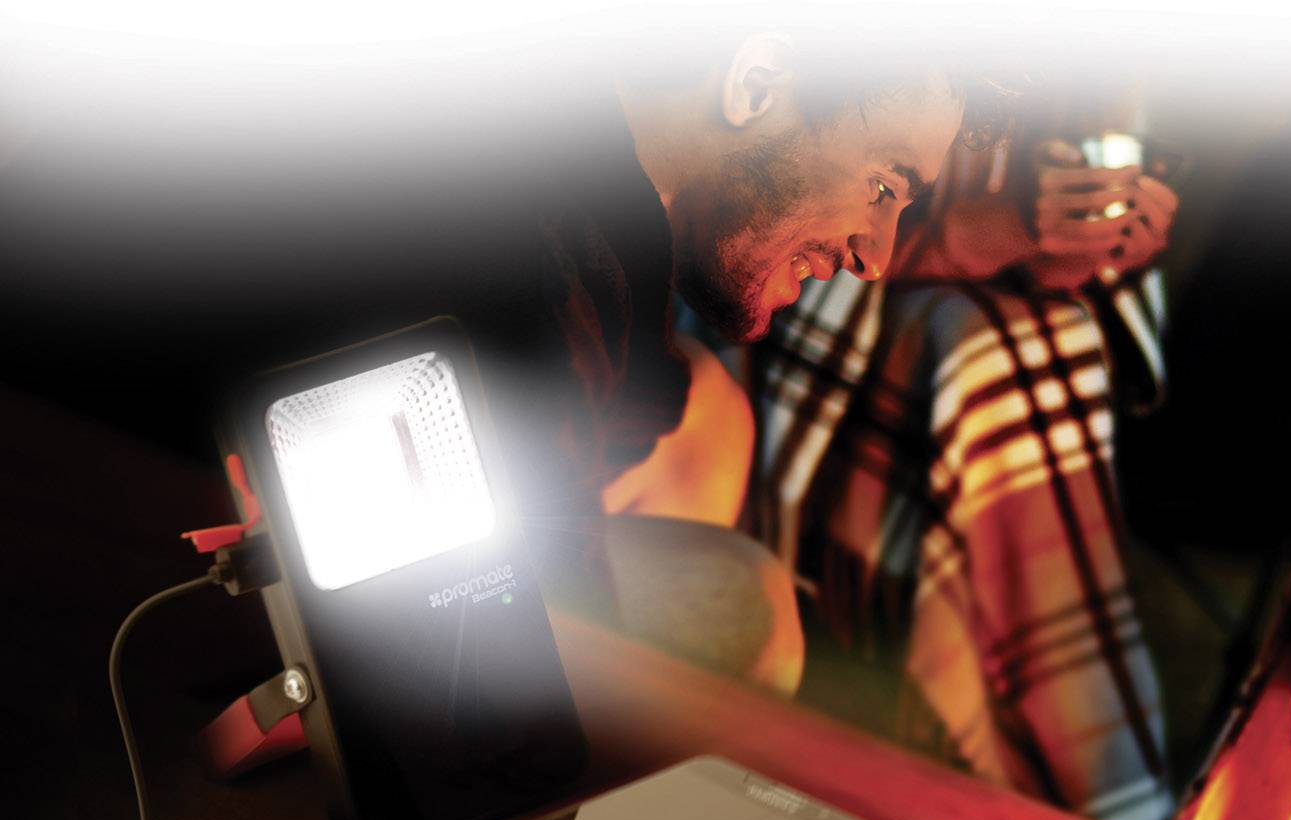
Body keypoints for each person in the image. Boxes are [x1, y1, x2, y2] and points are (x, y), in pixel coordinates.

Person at [0, 33, 993, 692]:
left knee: (707, 415)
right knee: (745, 603)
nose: (878, 252)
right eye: (883, 183)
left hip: (144, 408)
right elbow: (509, 637)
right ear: (757, 83)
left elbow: (632, 395)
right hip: (123, 547)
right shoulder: (530, 264)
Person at [735, 95, 1183, 820]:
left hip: (993, 346)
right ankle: (1101, 807)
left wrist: (1106, 238)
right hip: (812, 307)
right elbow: (809, 220)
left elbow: (1110, 181)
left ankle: (1020, 783)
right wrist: (979, 230)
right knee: (989, 356)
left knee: (1032, 344)